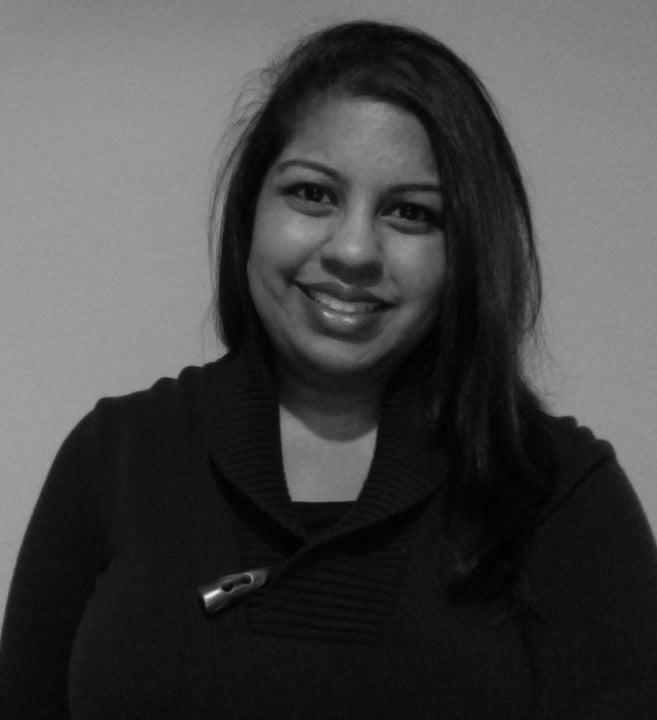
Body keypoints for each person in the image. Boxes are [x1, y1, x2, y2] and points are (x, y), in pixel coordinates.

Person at [1, 19, 656, 719]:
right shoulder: (116, 456)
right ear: (251, 211)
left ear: (466, 252)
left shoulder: (557, 490)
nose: (353, 251)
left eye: (410, 212)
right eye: (314, 194)